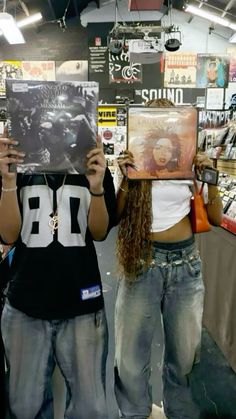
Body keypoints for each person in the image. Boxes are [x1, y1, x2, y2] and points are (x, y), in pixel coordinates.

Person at [114, 98, 223, 419]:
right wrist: (125, 178)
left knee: (184, 355)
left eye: (169, 145)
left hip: (185, 265)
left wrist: (208, 177)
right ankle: (134, 413)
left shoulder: (188, 165)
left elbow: (214, 218)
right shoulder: (137, 165)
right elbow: (117, 216)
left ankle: (180, 412)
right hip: (142, 262)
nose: (163, 152)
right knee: (130, 357)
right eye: (157, 146)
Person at [0, 130, 116, 419]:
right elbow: (7, 234)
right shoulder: (17, 167)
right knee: (24, 407)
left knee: (90, 408)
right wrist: (8, 183)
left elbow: (100, 232)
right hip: (26, 301)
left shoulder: (91, 165)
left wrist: (98, 188)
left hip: (82, 300)